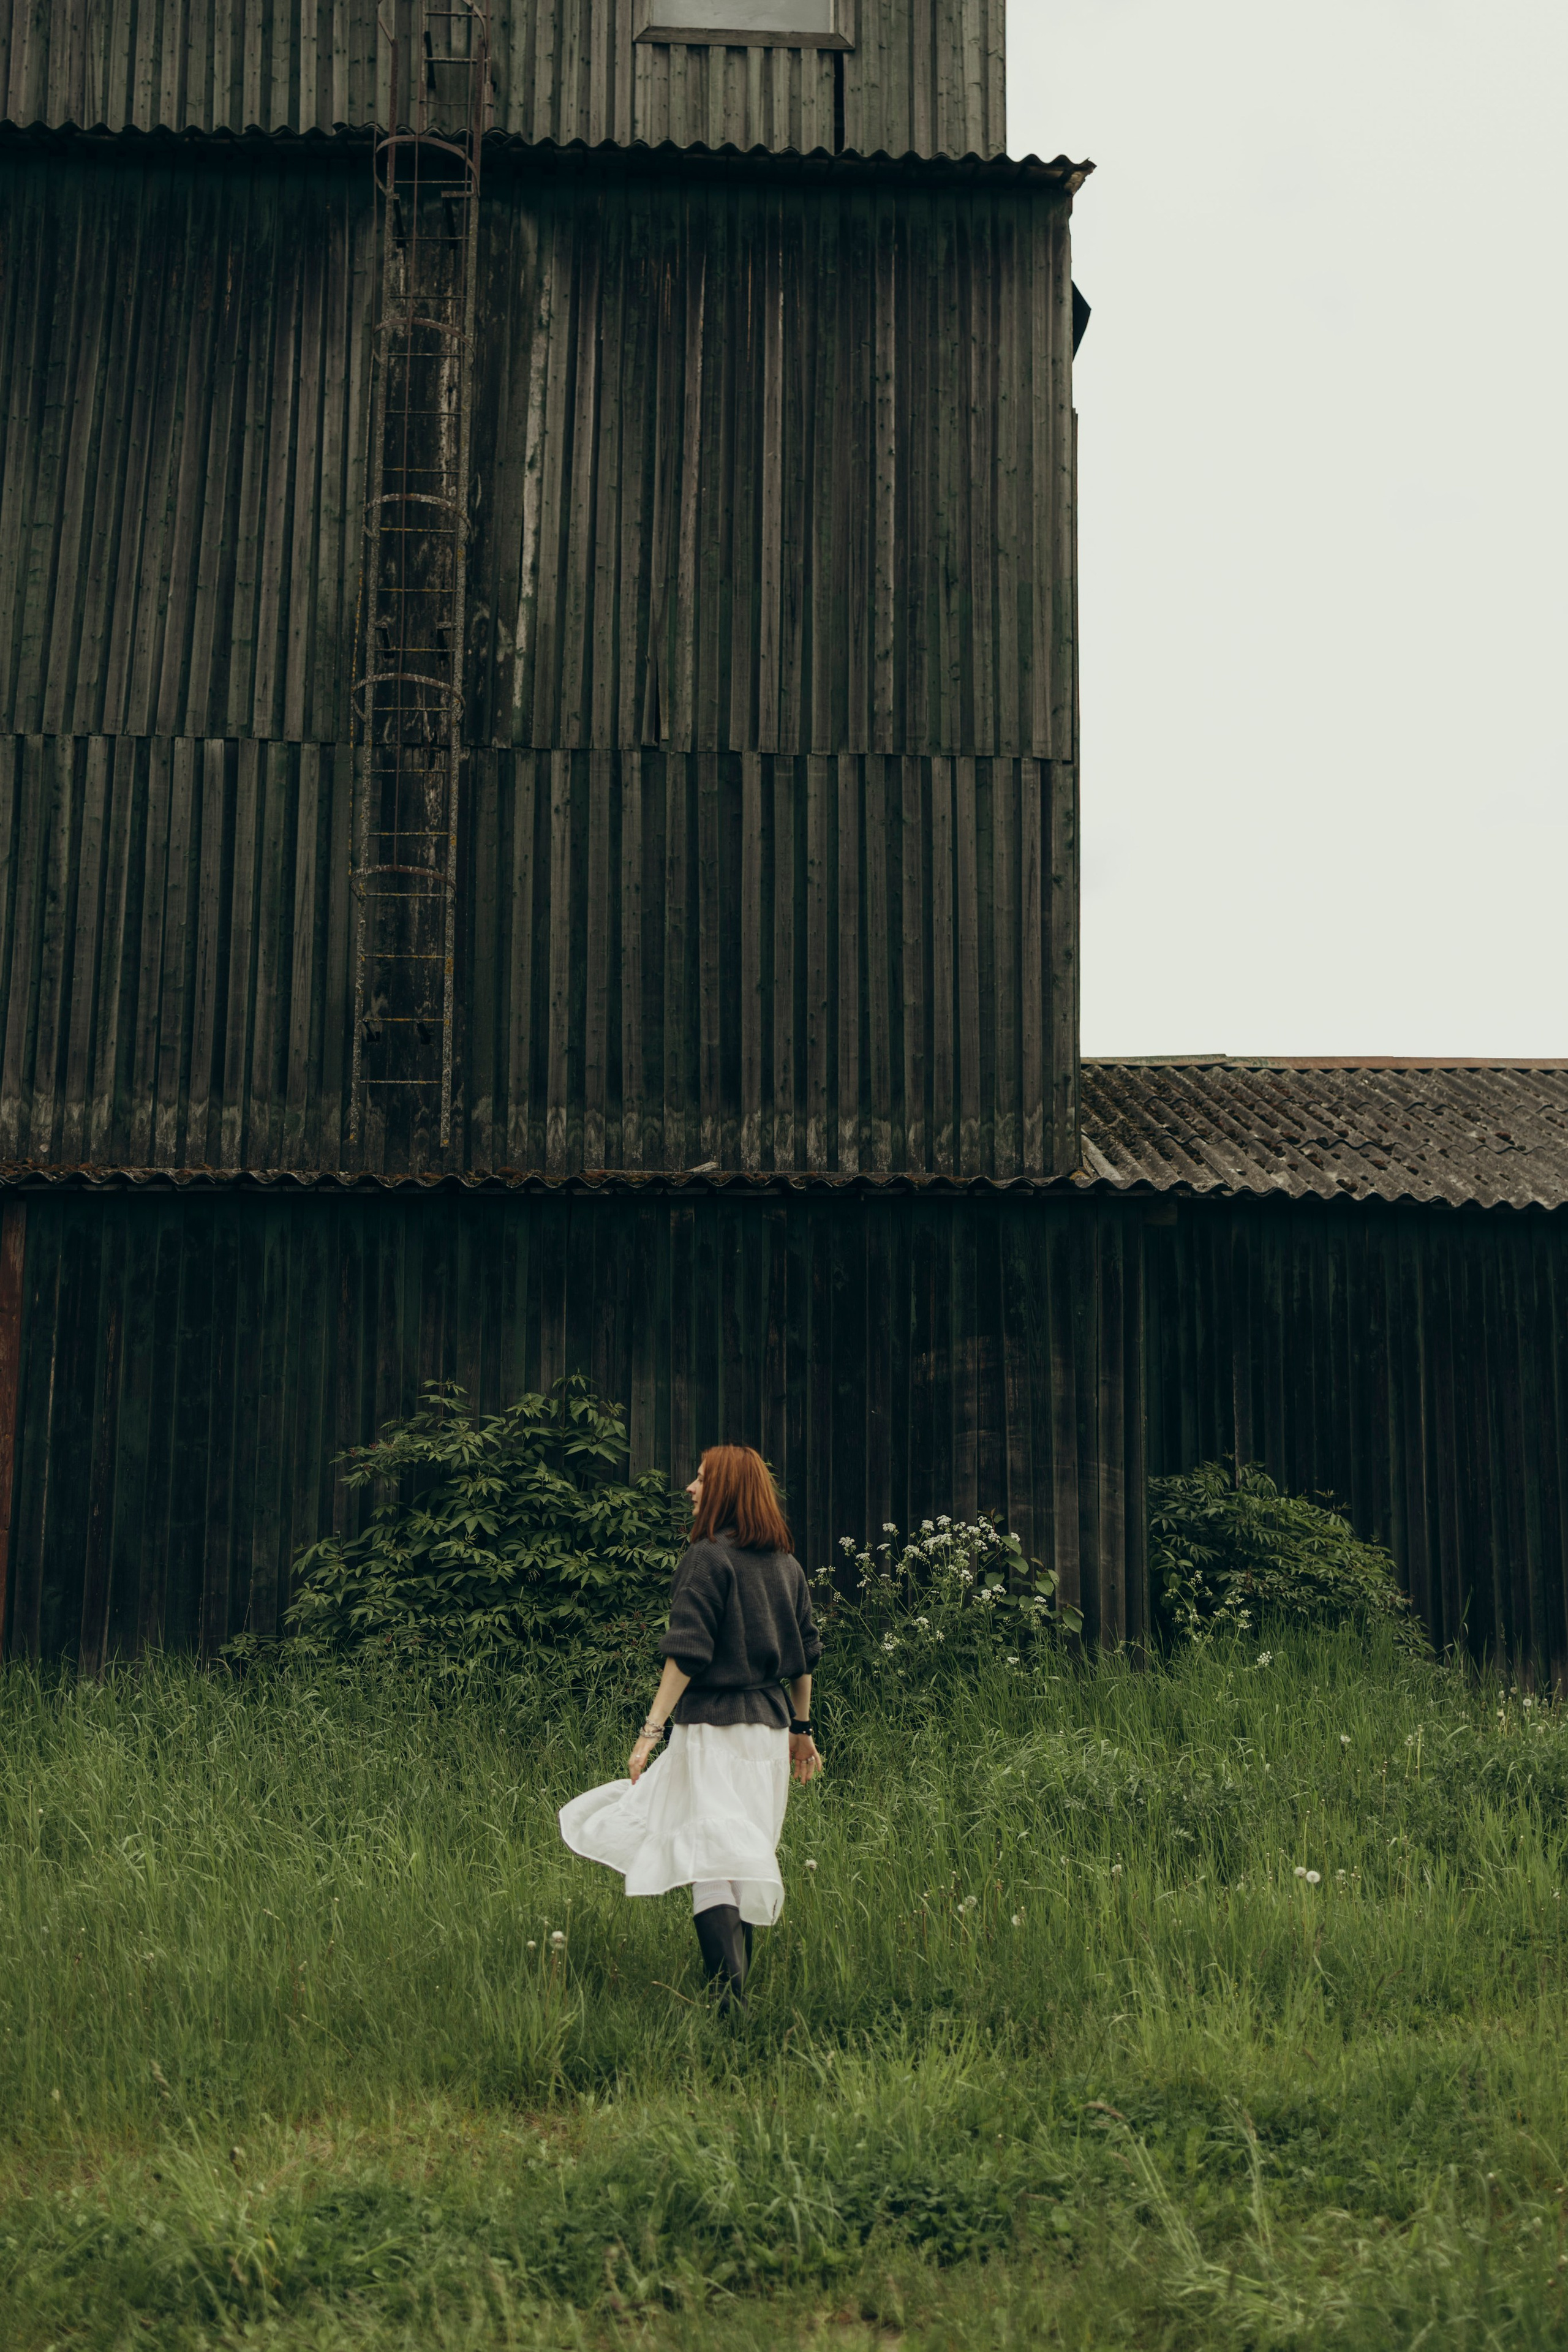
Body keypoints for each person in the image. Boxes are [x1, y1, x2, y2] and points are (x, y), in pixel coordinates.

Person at [558, 1445, 823, 2011]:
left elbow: (685, 1655)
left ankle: (729, 2007)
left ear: (725, 1488)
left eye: (701, 1479)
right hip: (769, 1737)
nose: (691, 1488)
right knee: (739, 1854)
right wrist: (802, 1729)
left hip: (715, 1732)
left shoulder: (707, 1558)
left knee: (711, 1857)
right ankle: (735, 2003)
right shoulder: (787, 1565)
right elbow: (802, 1661)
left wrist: (649, 1733)